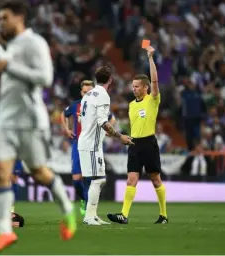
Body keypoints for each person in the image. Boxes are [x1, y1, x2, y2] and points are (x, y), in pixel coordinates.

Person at [0, 1, 76, 253]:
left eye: (4, 18)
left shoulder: (35, 43)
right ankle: (4, 232)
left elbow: (45, 78)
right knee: (1, 171)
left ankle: (67, 209)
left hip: (31, 121)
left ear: (19, 17)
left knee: (39, 173)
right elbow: (4, 64)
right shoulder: (10, 46)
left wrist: (7, 63)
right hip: (6, 121)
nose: (0, 23)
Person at [107, 46, 168, 224]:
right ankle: (124, 215)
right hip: (134, 144)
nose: (133, 89)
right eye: (132, 86)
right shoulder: (132, 104)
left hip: (149, 143)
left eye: (136, 86)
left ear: (145, 87)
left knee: (155, 179)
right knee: (131, 179)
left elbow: (155, 82)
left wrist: (150, 58)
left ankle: (163, 215)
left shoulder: (153, 99)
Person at [78, 66, 133, 225]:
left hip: (88, 141)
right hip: (91, 144)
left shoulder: (87, 95)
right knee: (98, 180)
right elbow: (102, 121)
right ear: (110, 80)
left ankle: (92, 215)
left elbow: (85, 119)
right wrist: (120, 136)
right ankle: (89, 216)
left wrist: (103, 132)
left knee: (99, 179)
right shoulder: (103, 95)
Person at [61, 80, 116, 216]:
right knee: (76, 179)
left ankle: (89, 209)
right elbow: (64, 114)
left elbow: (111, 117)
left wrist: (108, 131)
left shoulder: (97, 104)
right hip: (77, 144)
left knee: (91, 178)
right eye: (85, 92)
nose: (88, 94)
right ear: (81, 92)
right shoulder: (75, 105)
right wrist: (67, 129)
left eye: (90, 91)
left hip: (93, 144)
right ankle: (83, 199)